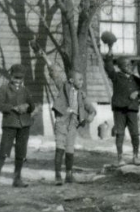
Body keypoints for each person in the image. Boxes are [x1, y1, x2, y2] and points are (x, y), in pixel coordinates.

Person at [37, 49, 96, 186]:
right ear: (71, 80)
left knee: (70, 149)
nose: (82, 81)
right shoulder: (64, 86)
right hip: (62, 121)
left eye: (82, 79)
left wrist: (92, 114)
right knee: (60, 147)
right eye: (79, 79)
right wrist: (46, 59)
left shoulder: (81, 94)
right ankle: (58, 175)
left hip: (73, 124)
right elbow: (55, 73)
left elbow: (89, 106)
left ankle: (69, 175)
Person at [0, 64, 36, 190]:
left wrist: (28, 106)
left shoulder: (25, 90)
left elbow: (32, 106)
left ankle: (17, 178)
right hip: (10, 124)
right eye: (16, 77)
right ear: (11, 76)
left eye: (20, 78)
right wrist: (12, 108)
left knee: (21, 152)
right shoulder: (4, 89)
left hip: (24, 125)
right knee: (4, 151)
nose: (18, 80)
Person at [103, 48, 140, 166]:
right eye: (125, 65)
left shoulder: (136, 79)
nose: (129, 67)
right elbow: (109, 68)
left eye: (130, 64)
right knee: (119, 133)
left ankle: (135, 156)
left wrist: (138, 93)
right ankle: (120, 157)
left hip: (132, 109)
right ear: (120, 67)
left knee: (135, 133)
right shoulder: (116, 77)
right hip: (119, 109)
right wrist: (109, 56)